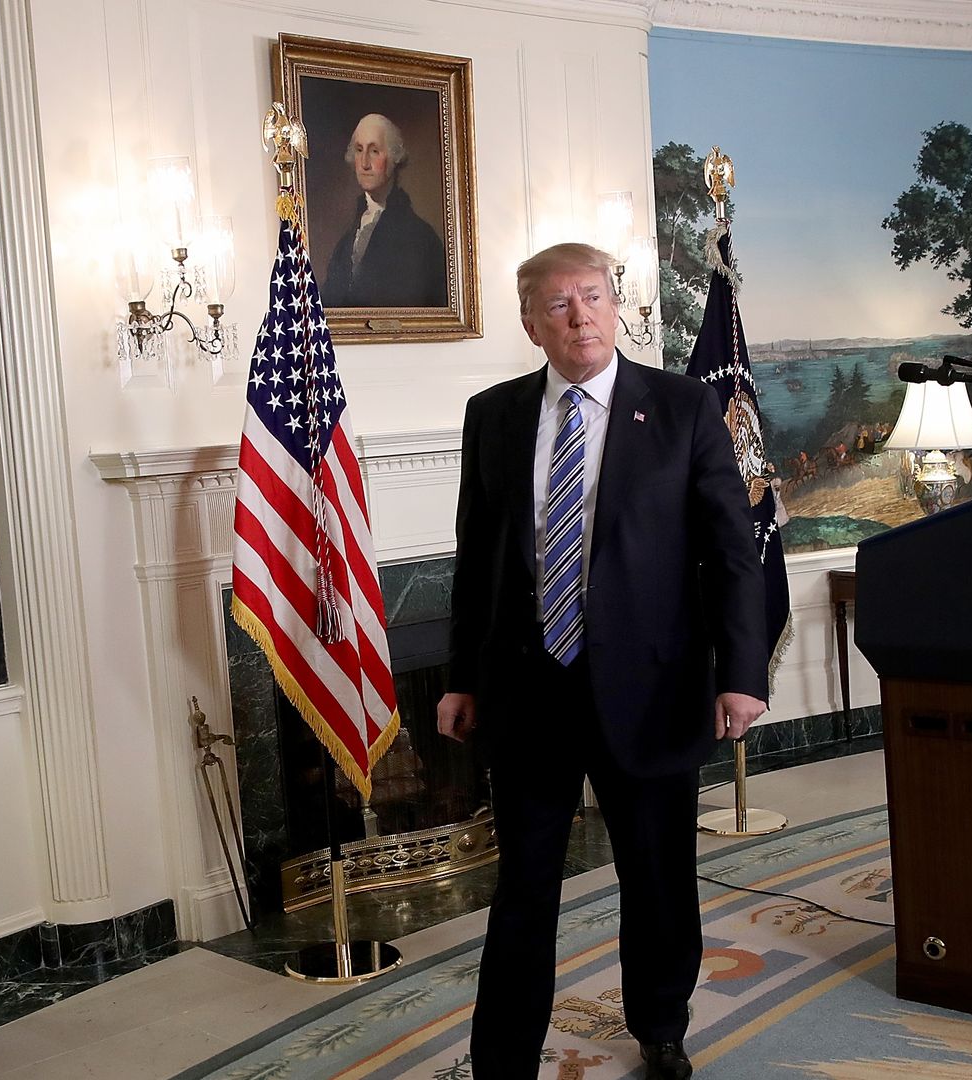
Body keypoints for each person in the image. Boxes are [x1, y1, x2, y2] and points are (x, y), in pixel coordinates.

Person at [438, 243, 767, 1080]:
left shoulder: (684, 406)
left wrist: (742, 674)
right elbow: (476, 559)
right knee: (524, 889)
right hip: (529, 692)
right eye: (558, 304)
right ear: (531, 323)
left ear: (616, 306)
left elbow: (732, 551)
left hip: (653, 687)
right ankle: (503, 1060)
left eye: (592, 296)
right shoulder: (493, 415)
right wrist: (460, 678)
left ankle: (660, 1027)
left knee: (658, 879)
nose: (579, 316)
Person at [318, 113, 447, 308]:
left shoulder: (421, 239)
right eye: (359, 150)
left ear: (394, 157)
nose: (364, 163)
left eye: (374, 151)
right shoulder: (345, 243)